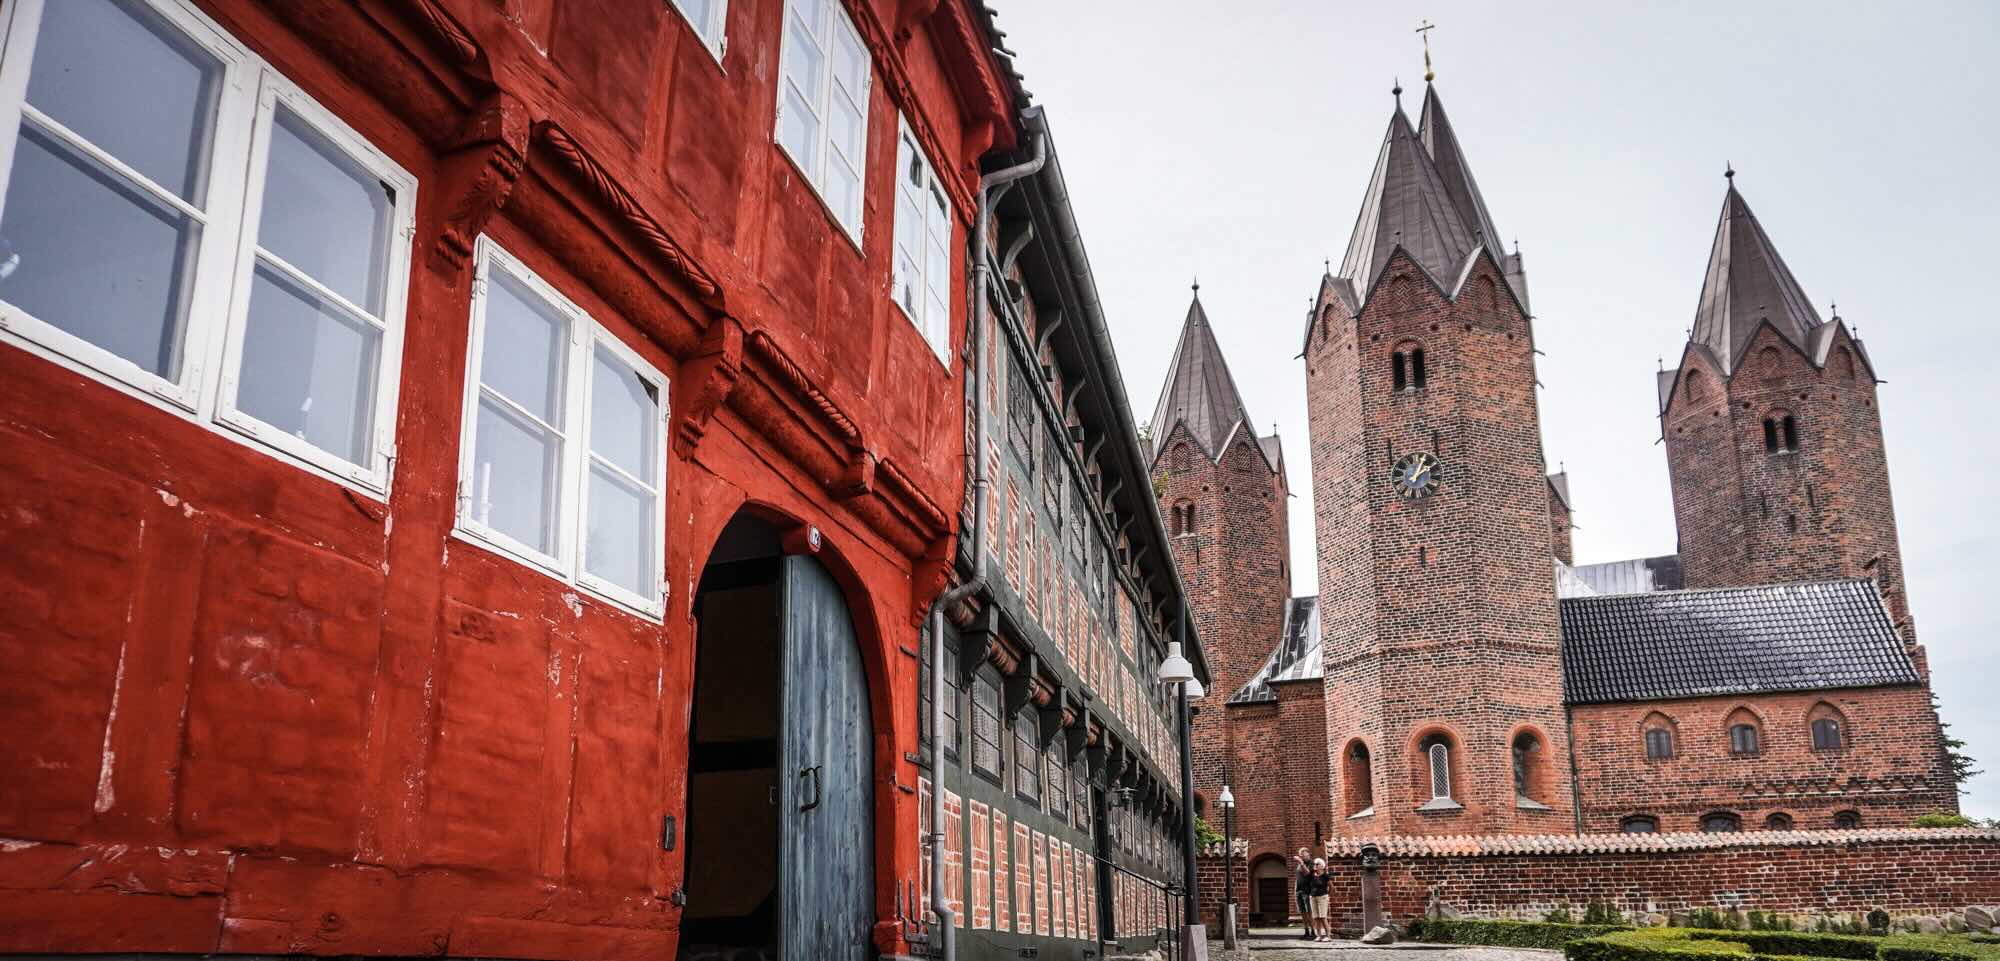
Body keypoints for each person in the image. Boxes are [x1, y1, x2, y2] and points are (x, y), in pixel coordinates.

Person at [1306, 857, 1334, 941]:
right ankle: (1319, 935)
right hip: (1312, 897)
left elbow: (1331, 887)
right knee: (1316, 917)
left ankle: (1328, 936)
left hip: (1322, 897)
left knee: (1323, 917)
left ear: (1322, 866)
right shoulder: (1311, 875)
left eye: (1317, 864)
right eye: (1314, 864)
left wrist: (1327, 895)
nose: (1315, 865)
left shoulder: (1325, 875)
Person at [1291, 847, 1314, 939]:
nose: (1300, 855)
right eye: (1300, 853)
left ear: (1307, 853)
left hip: (1307, 891)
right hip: (1299, 891)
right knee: (1302, 912)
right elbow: (1298, 877)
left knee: (1309, 912)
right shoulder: (1299, 865)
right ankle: (1306, 931)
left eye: (1302, 853)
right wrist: (1295, 890)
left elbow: (1307, 873)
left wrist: (1301, 863)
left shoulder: (1311, 863)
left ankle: (1313, 932)